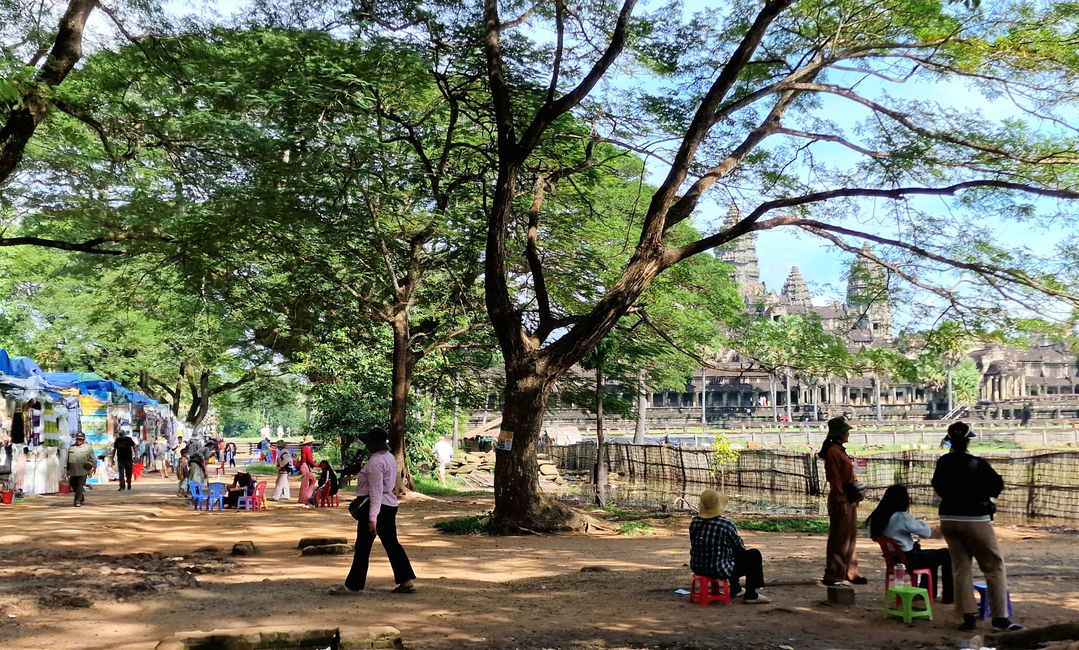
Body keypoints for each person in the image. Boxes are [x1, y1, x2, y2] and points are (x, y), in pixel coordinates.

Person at [932, 422, 1021, 632]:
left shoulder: (943, 462)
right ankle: (1000, 617)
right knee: (994, 566)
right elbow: (997, 485)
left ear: (949, 441)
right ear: (969, 441)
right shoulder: (977, 463)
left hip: (949, 519)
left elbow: (937, 486)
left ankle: (968, 617)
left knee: (961, 568)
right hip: (975, 520)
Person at [329, 426, 416, 595]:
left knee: (362, 547)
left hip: (376, 507)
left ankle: (354, 585)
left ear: (373, 444)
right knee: (392, 544)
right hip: (389, 505)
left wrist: (372, 518)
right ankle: (405, 579)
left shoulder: (375, 462)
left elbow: (375, 491)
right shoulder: (388, 457)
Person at [866, 484, 953, 603]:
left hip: (894, 560)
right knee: (946, 554)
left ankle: (926, 592)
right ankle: (948, 596)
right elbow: (926, 533)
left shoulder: (876, 517)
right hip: (908, 560)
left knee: (931, 556)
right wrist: (921, 521)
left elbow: (871, 534)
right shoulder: (901, 517)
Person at [689, 489, 770, 603]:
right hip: (718, 569)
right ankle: (751, 594)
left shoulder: (695, 522)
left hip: (698, 567)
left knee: (727, 554)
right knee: (753, 554)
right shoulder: (726, 525)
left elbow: (695, 543)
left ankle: (736, 588)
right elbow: (740, 549)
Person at [819, 416, 867, 586]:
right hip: (841, 499)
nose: (848, 433)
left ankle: (850, 572)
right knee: (839, 538)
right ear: (840, 433)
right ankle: (834, 573)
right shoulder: (833, 452)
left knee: (851, 537)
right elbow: (835, 480)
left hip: (849, 498)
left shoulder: (840, 450)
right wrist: (840, 500)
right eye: (846, 431)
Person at [66, 432, 96, 507]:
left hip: (83, 470)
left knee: (80, 486)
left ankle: (77, 501)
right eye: (78, 439)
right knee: (74, 485)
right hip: (73, 471)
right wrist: (66, 469)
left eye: (81, 439)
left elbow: (93, 458)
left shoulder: (88, 447)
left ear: (84, 440)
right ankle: (81, 497)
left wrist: (93, 466)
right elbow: (67, 459)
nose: (79, 441)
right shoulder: (71, 447)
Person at [298, 435, 317, 507]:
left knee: (312, 480)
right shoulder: (306, 448)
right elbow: (309, 459)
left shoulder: (305, 448)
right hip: (305, 466)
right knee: (305, 484)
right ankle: (303, 499)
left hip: (305, 466)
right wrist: (316, 465)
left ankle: (307, 497)